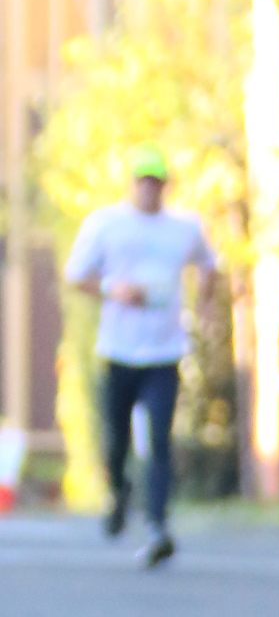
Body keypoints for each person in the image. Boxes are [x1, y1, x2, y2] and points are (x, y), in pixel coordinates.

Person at [63, 145, 219, 566]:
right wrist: (113, 289)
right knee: (116, 441)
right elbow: (76, 276)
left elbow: (210, 263)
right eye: (143, 181)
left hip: (164, 352)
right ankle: (118, 492)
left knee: (159, 440)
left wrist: (205, 305)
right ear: (132, 183)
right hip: (118, 350)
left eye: (156, 181)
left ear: (165, 185)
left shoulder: (184, 228)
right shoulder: (106, 224)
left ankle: (158, 525)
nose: (150, 189)